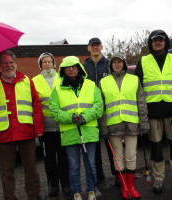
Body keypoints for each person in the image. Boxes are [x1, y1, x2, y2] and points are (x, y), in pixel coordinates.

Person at [134, 30, 172, 193]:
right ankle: (158, 179)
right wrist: (140, 112)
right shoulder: (144, 61)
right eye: (155, 40)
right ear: (150, 43)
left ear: (166, 42)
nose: (158, 42)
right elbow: (137, 88)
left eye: (161, 40)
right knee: (156, 147)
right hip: (151, 112)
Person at [0, 50, 44, 200]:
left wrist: (38, 129)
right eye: (5, 63)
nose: (9, 65)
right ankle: (9, 197)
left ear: (16, 64)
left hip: (26, 131)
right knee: (6, 172)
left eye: (11, 62)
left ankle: (33, 195)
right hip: (4, 134)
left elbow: (36, 105)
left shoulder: (27, 81)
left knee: (31, 168)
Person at [49, 56, 103, 200]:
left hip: (89, 131)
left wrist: (86, 116)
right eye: (68, 67)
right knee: (73, 167)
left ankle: (92, 190)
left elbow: (99, 106)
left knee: (90, 164)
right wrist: (71, 117)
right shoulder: (57, 89)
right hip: (70, 133)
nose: (71, 69)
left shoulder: (91, 85)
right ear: (63, 70)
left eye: (74, 66)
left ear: (79, 68)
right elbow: (54, 111)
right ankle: (76, 192)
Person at [99, 53, 149, 199]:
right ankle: (124, 187)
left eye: (119, 62)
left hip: (132, 124)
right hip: (113, 125)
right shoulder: (104, 82)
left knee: (131, 156)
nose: (117, 64)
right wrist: (103, 127)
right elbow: (101, 107)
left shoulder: (134, 79)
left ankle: (131, 186)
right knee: (118, 157)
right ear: (111, 65)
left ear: (124, 64)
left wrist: (144, 122)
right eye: (114, 62)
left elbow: (141, 102)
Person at [32, 52, 70, 197]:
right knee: (49, 161)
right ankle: (53, 185)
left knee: (63, 158)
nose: (47, 64)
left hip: (62, 126)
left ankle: (66, 184)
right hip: (45, 128)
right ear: (40, 65)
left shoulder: (61, 78)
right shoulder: (34, 80)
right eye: (44, 62)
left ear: (54, 64)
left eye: (49, 61)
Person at [82, 37, 117, 186]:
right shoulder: (83, 66)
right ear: (88, 48)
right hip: (91, 111)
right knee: (94, 147)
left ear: (102, 47)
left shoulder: (109, 64)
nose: (95, 48)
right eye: (92, 46)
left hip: (108, 110)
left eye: (97, 45)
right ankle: (99, 175)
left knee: (111, 144)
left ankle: (117, 174)